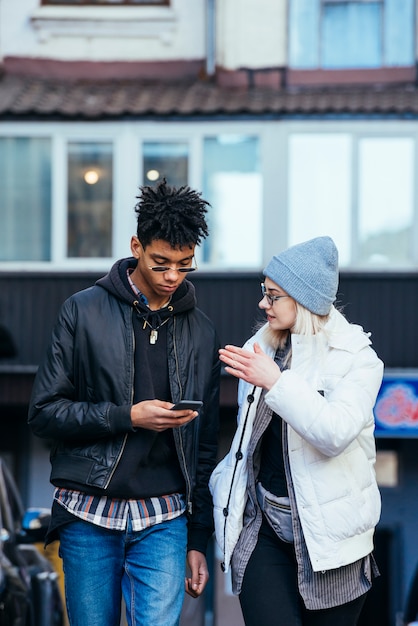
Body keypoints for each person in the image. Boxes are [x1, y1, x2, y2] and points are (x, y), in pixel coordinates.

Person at [28, 179, 220, 626]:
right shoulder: (81, 311)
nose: (173, 276)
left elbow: (204, 447)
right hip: (89, 513)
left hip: (166, 518)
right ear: (136, 246)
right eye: (161, 263)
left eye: (185, 265)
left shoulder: (203, 331)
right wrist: (126, 416)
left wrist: (198, 540)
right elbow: (43, 413)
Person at [210, 236, 383, 626]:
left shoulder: (358, 358)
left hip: (332, 544)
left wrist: (277, 382)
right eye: (264, 293)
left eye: (273, 296)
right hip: (263, 527)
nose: (262, 304)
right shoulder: (261, 347)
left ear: (303, 300)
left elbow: (334, 434)